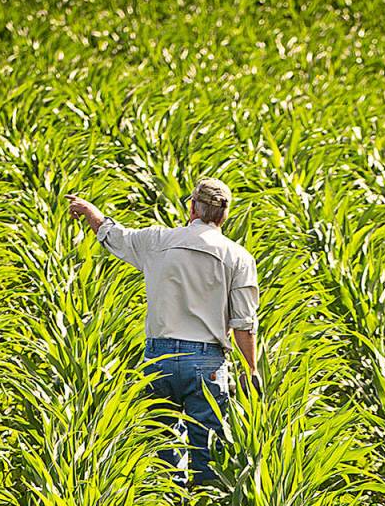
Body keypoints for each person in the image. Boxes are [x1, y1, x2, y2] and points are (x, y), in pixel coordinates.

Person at [67, 178, 261, 487]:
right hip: (207, 363)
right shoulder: (238, 257)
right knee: (207, 449)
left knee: (163, 445)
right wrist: (251, 368)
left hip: (160, 357)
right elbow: (243, 324)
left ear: (192, 208)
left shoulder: (158, 241)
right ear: (223, 216)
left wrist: (92, 213)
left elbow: (116, 237)